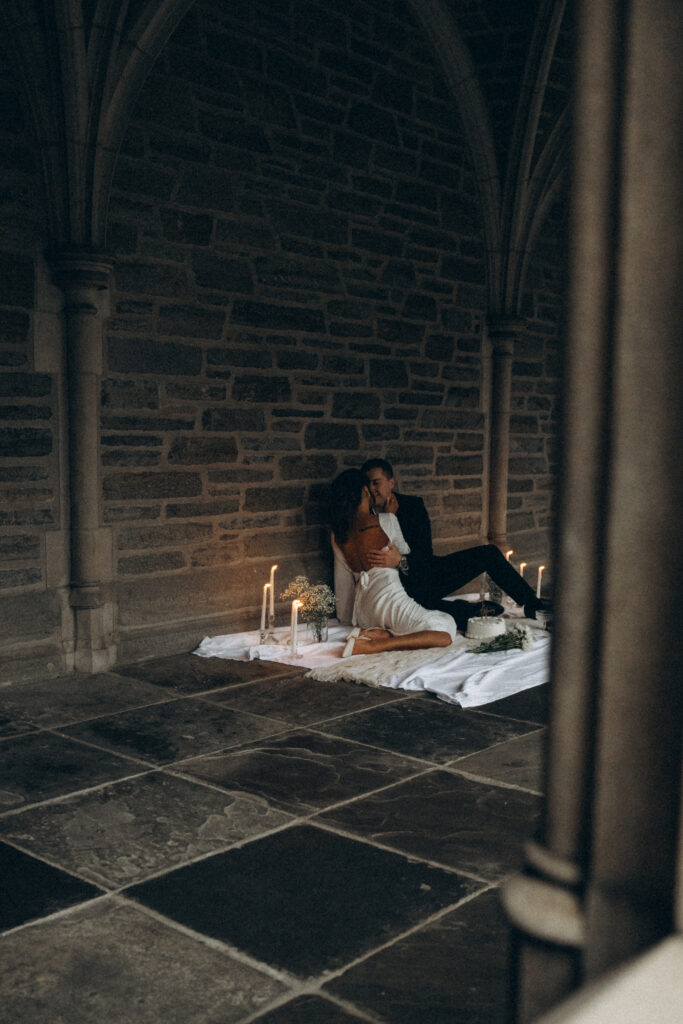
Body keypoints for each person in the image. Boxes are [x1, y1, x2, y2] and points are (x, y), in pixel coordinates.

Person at [361, 458, 550, 627]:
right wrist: (388, 518)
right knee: (438, 613)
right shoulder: (361, 513)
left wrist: (401, 560)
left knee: (489, 553)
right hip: (398, 589)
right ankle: (469, 610)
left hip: (425, 574)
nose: (372, 488)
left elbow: (424, 556)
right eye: (367, 484)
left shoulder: (412, 507)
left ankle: (532, 604)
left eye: (376, 482)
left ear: (391, 482)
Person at [330, 469, 456, 657]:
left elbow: (342, 580)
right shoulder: (386, 519)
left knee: (418, 622)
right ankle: (376, 645)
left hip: (364, 611)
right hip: (387, 598)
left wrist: (348, 619)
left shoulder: (338, 533)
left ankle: (379, 632)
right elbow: (404, 552)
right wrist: (391, 518)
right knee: (446, 628)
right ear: (365, 491)